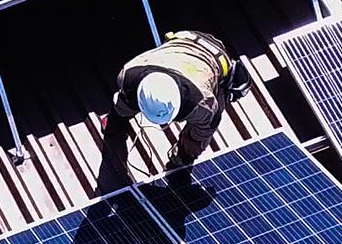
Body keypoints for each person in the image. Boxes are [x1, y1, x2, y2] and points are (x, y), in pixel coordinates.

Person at [104, 30, 248, 169]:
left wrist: (189, 150)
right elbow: (125, 100)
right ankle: (113, 122)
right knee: (125, 101)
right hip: (182, 40)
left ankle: (180, 160)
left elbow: (203, 132)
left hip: (214, 55)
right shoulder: (129, 75)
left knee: (197, 139)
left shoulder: (201, 102)